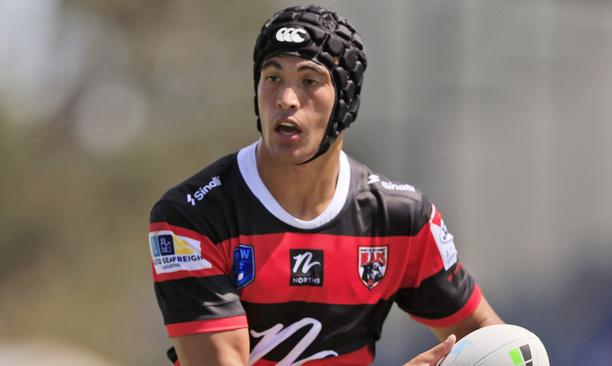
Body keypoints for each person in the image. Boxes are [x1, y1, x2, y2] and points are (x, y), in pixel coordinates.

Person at [148, 5, 503, 365]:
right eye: (272, 77)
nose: (286, 99)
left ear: (346, 102)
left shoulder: (401, 219)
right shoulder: (191, 217)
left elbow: (490, 342)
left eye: (309, 81)